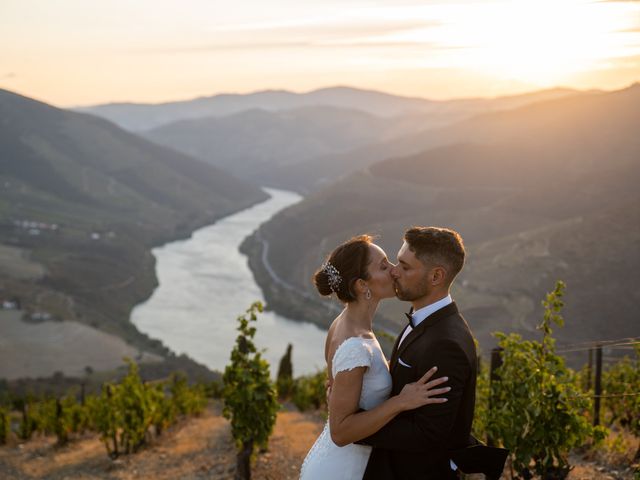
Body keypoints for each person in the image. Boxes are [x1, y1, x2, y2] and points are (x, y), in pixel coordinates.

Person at [358, 226, 507, 479]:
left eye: (405, 267)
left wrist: (354, 426)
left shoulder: (446, 344)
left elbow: (429, 434)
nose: (394, 271)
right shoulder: (425, 319)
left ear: (436, 276)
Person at [300, 235, 451, 480]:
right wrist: (400, 402)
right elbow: (340, 432)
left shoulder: (342, 324)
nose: (394, 270)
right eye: (383, 266)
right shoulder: (356, 346)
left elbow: (341, 389)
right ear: (362, 285)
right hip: (344, 471)